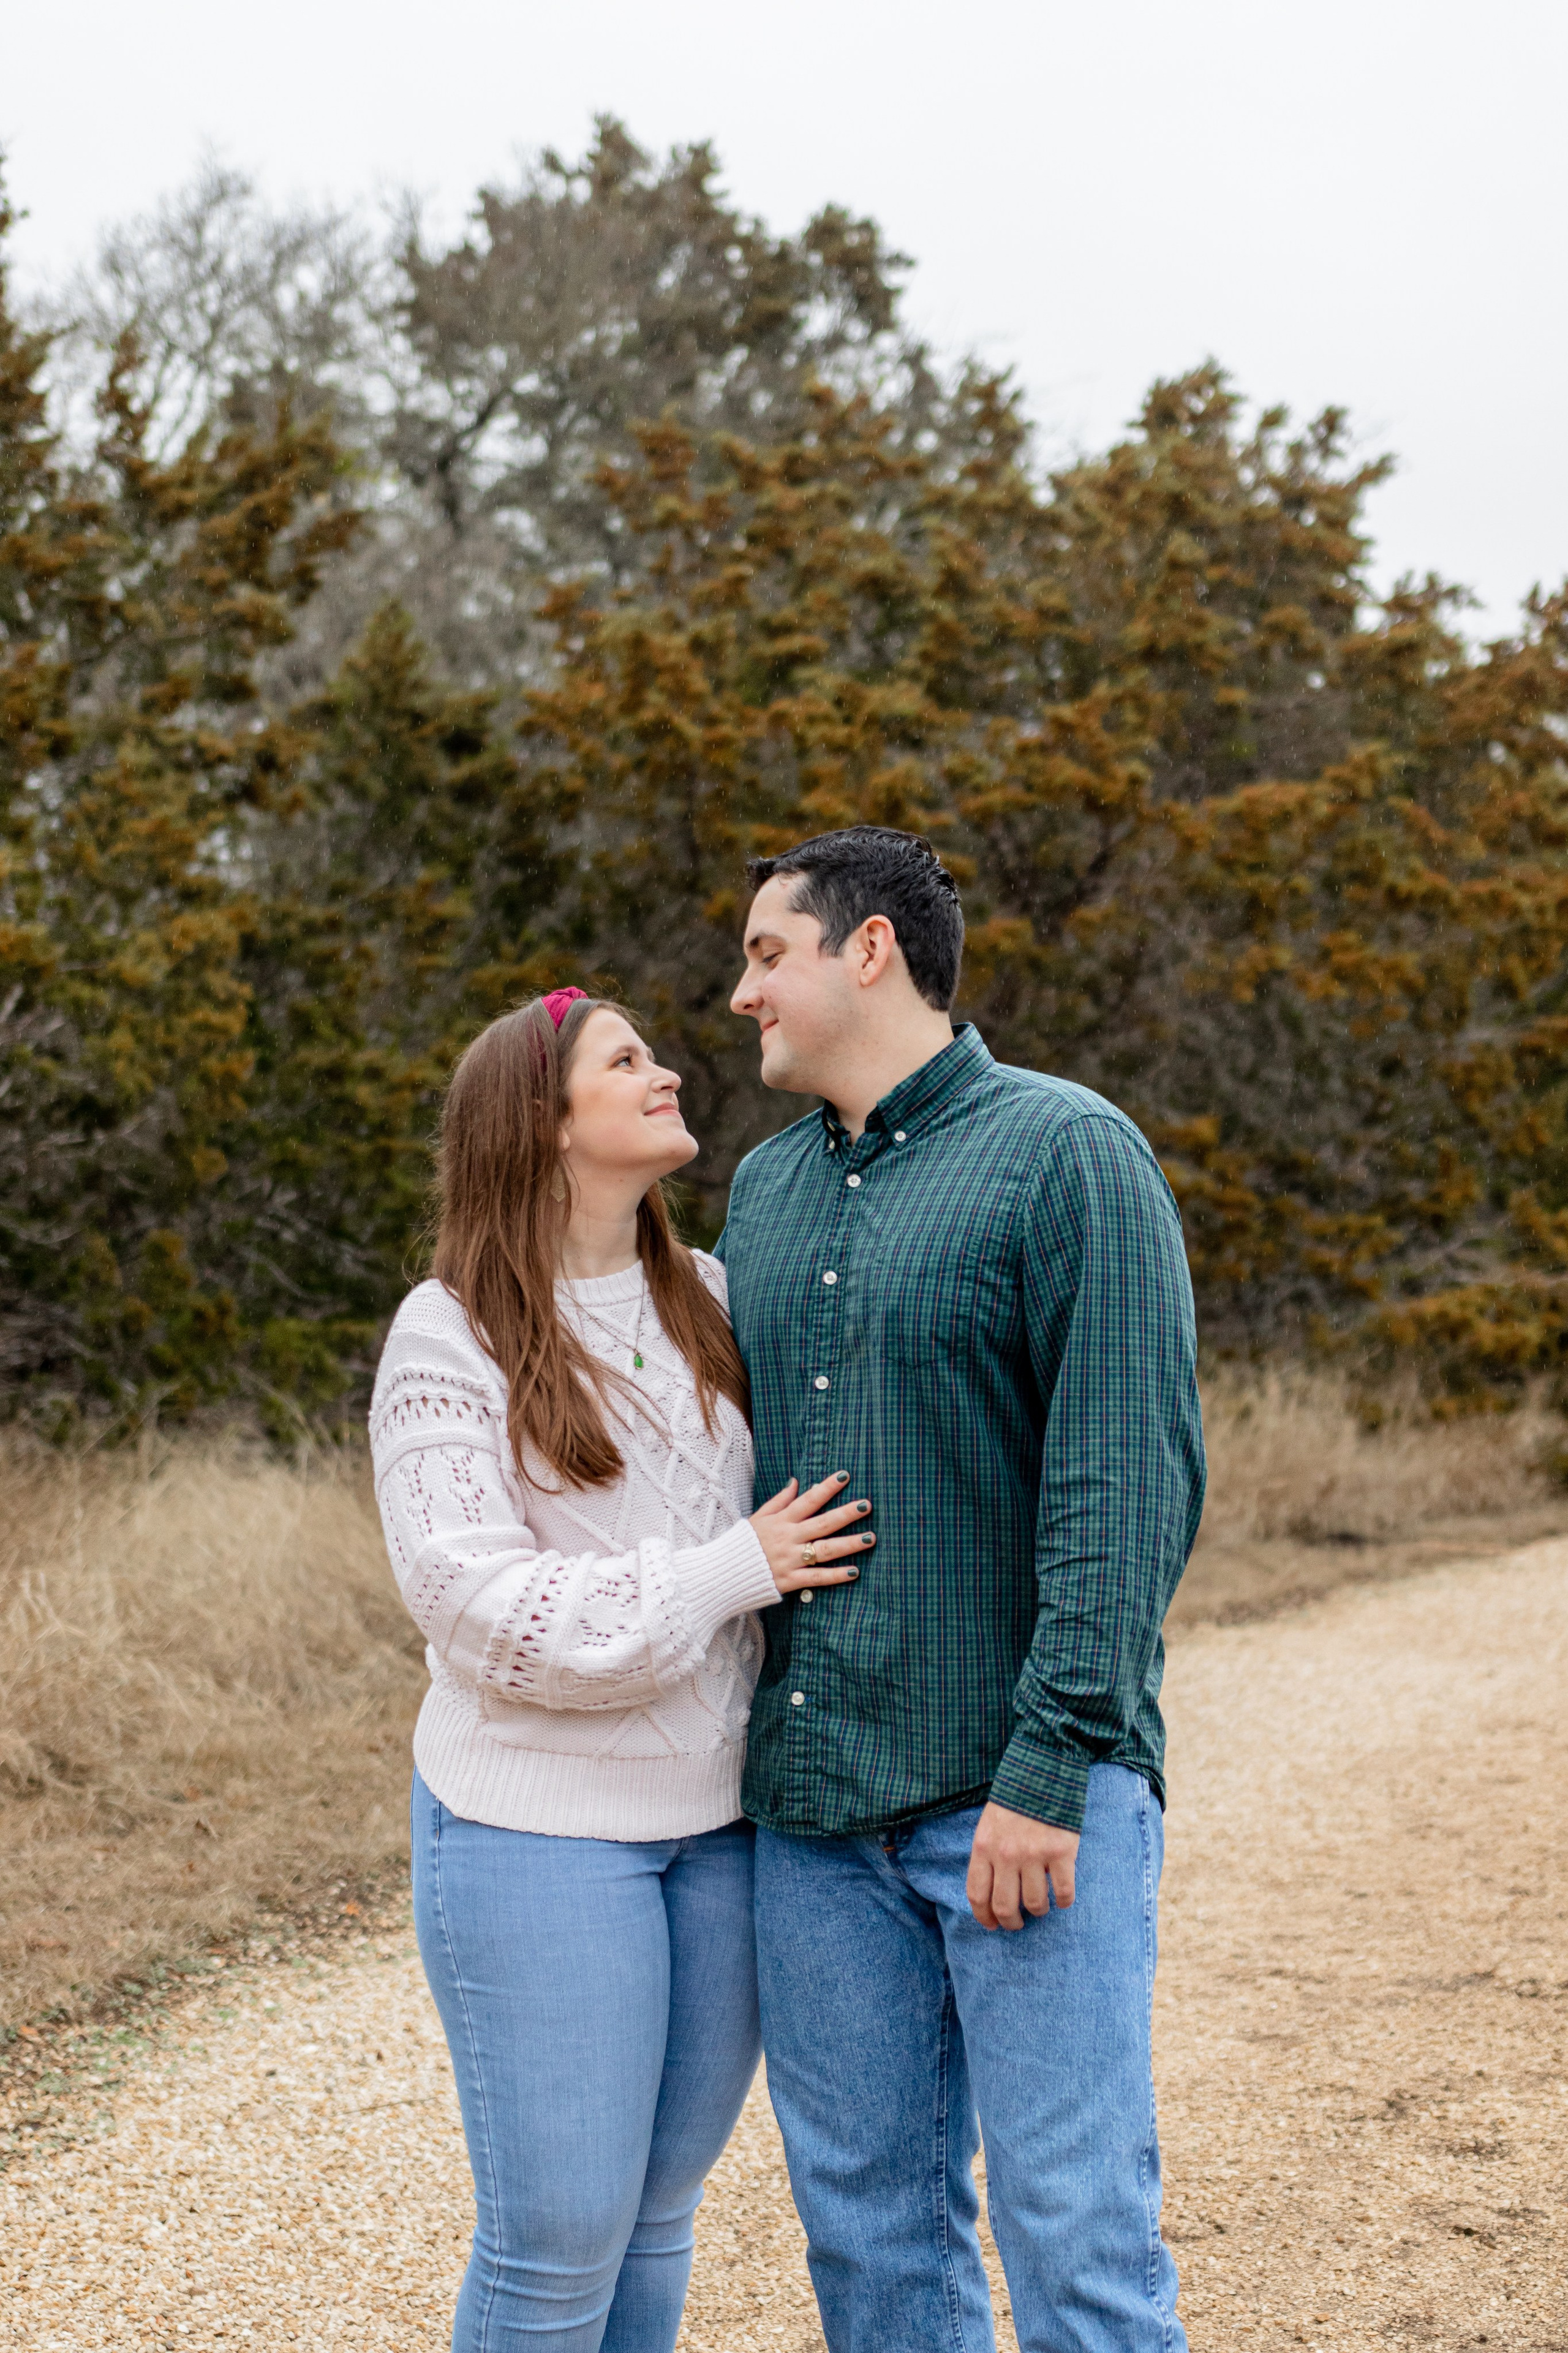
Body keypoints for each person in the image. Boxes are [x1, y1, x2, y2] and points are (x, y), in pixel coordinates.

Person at [717, 827, 1207, 2353]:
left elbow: (1123, 1485)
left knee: (1073, 2236)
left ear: (868, 949)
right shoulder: (762, 1191)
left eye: (766, 953)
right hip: (812, 1820)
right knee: (867, 2240)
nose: (741, 993)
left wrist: (1049, 1768)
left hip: (1015, 1800)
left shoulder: (1068, 1152)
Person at [368, 987, 876, 2353]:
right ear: (543, 1119)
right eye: (626, 1059)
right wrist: (729, 1570)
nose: (667, 1074)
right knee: (555, 2240)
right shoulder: (448, 1334)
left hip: (721, 1827)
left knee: (656, 2211)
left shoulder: (710, 1294)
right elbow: (480, 1609)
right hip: (534, 1831)